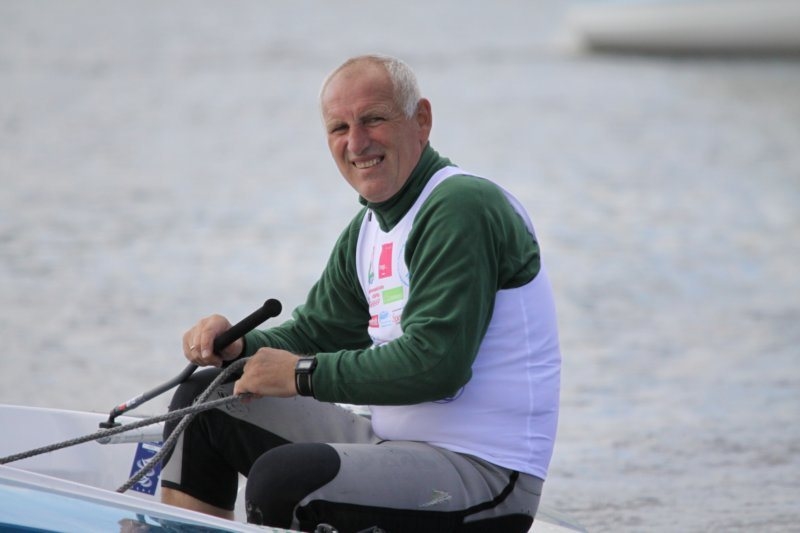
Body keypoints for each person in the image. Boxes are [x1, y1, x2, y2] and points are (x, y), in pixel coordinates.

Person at [160, 54, 561, 533]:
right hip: (394, 448)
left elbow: (437, 366)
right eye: (339, 127)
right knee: (205, 400)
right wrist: (240, 346)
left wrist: (301, 375)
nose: (356, 142)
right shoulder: (368, 227)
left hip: (485, 475)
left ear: (421, 120)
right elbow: (316, 332)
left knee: (285, 480)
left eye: (373, 119)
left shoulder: (462, 207)